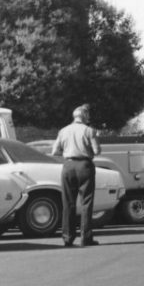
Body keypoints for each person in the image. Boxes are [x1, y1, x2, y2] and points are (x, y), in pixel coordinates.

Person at [50, 104, 100, 247]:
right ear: (84, 116)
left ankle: (67, 237)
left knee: (68, 203)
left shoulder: (63, 131)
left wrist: (67, 152)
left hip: (68, 166)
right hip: (84, 165)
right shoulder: (89, 131)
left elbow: (54, 152)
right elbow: (97, 151)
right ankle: (86, 237)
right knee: (86, 202)